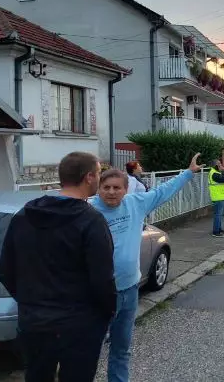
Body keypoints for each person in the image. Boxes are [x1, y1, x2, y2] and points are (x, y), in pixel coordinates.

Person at [0, 152, 116, 382]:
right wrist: (107, 312)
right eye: (98, 173)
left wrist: (29, 301)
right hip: (80, 324)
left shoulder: (24, 216)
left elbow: (5, 269)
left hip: (34, 321)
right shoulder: (91, 221)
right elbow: (102, 279)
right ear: (89, 177)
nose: (99, 178)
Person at [91, 153, 204, 382]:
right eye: (106, 187)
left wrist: (188, 173)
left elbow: (163, 192)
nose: (111, 192)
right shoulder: (89, 210)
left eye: (117, 188)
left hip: (129, 290)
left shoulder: (135, 203)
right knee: (89, 351)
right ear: (98, 188)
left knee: (121, 349)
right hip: (99, 295)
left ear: (126, 190)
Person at [208, 159, 224, 237]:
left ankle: (219, 228)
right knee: (218, 214)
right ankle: (216, 232)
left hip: (221, 196)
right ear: (215, 165)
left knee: (219, 214)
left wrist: (222, 171)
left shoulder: (216, 172)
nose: (221, 165)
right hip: (218, 197)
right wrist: (223, 170)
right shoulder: (214, 173)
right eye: (219, 164)